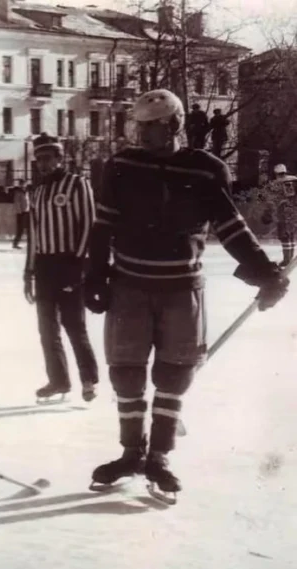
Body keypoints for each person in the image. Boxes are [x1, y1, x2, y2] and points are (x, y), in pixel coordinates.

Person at [85, 89, 290, 500]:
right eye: (138, 126)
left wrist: (264, 272)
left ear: (175, 125)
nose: (142, 134)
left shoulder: (205, 169)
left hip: (180, 288)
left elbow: (230, 226)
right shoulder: (121, 166)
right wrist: (94, 274)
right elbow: (103, 223)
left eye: (152, 127)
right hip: (129, 285)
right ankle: (130, 452)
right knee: (126, 372)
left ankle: (158, 456)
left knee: (173, 373)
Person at [24, 132, 99, 403]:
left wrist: (78, 266)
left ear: (60, 157)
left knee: (74, 325)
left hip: (69, 262)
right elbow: (34, 234)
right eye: (39, 159)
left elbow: (89, 226)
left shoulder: (77, 184)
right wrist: (28, 272)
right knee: (47, 329)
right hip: (44, 267)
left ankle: (88, 379)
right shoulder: (39, 190)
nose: (43, 164)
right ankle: (58, 381)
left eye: (48, 158)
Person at [269, 164, 297, 268]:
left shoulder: (276, 183)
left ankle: (286, 260)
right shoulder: (295, 180)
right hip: (294, 212)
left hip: (283, 213)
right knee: (291, 236)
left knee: (284, 236)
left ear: (276, 173)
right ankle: (290, 258)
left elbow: (271, 200)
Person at [12, 181, 31, 249]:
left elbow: (28, 201)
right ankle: (15, 244)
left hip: (27, 212)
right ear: (20, 185)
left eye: (25, 184)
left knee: (29, 228)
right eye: (23, 184)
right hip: (21, 213)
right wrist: (19, 212)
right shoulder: (18, 192)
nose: (24, 185)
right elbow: (16, 202)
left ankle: (30, 243)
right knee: (20, 229)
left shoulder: (27, 192)